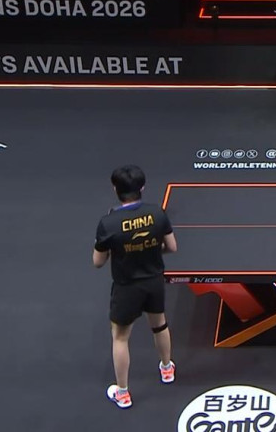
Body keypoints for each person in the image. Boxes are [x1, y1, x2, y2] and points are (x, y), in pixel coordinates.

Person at [93, 165, 178, 408]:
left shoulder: (108, 222)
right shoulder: (157, 214)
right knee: (159, 324)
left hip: (127, 286)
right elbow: (172, 247)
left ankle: (122, 393)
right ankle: (167, 369)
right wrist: (149, 249)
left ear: (115, 189)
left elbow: (98, 262)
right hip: (154, 281)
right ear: (142, 187)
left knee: (120, 337)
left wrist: (120, 250)